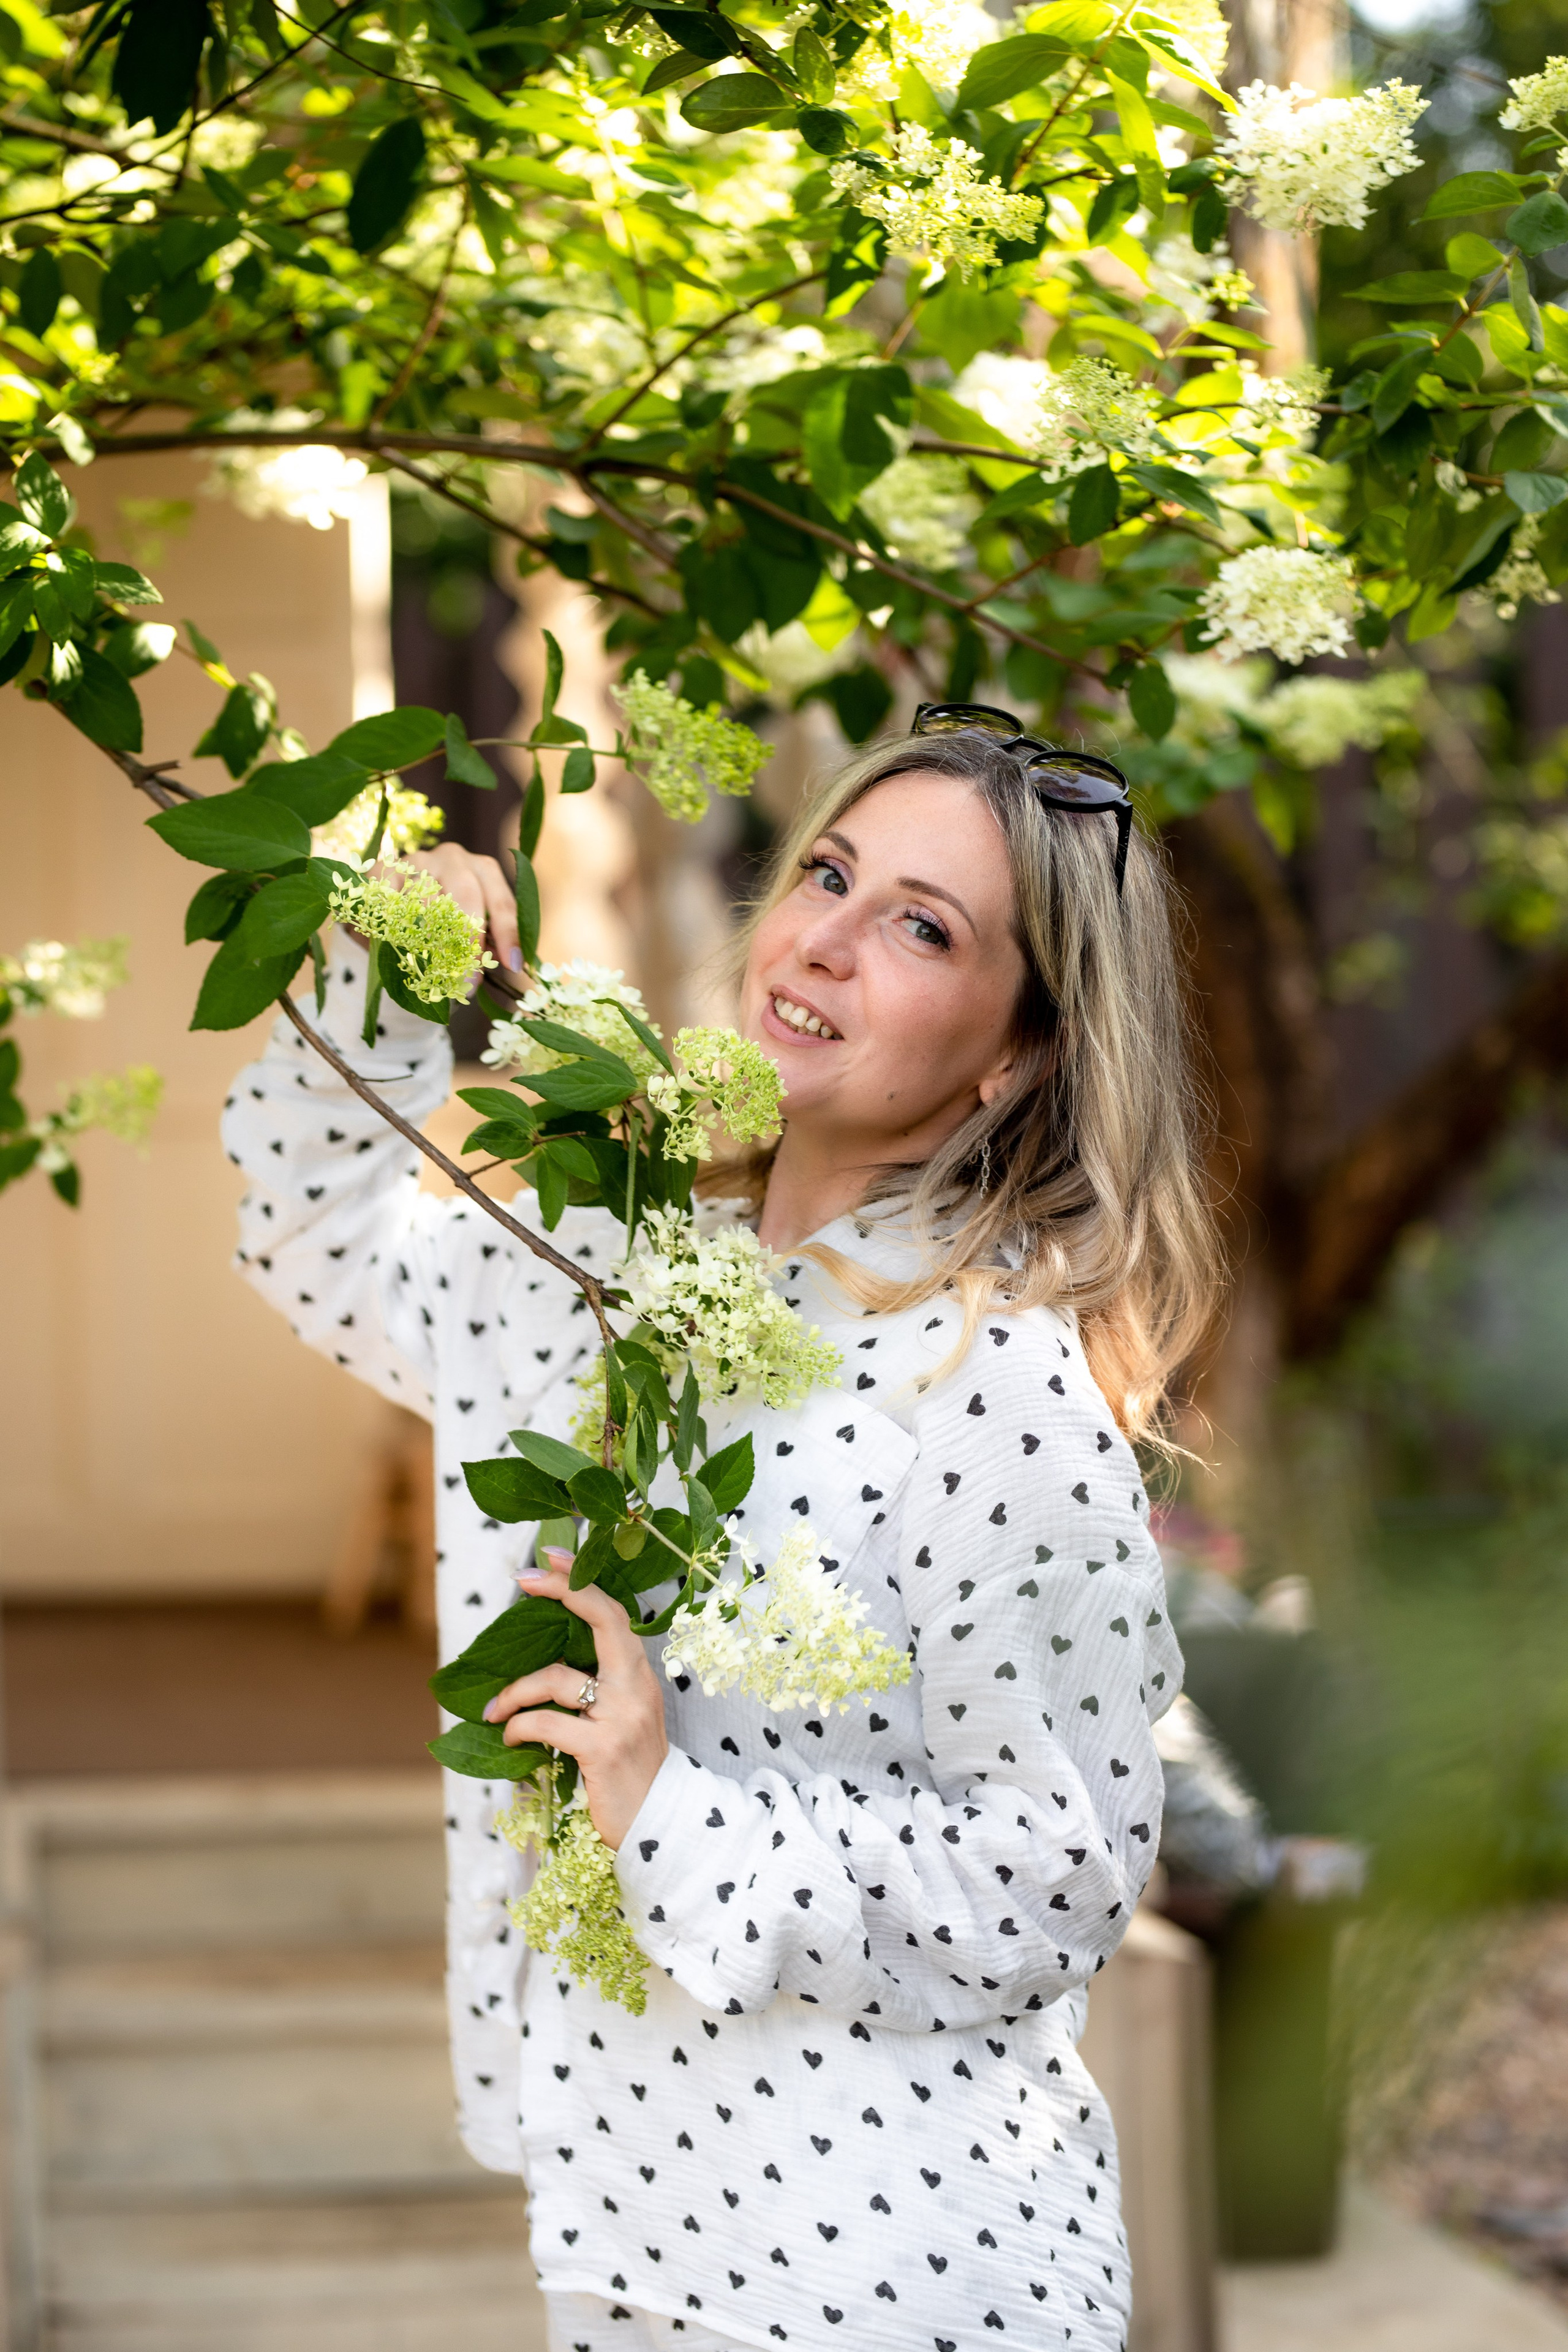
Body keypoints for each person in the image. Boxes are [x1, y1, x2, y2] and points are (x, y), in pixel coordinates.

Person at [222, 706, 1221, 2352]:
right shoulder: (606, 1259)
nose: (821, 939)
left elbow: (1057, 1876)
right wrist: (386, 969)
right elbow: (326, 1247)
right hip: (626, 2222)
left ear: (1020, 1048)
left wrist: (673, 1811)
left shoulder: (990, 1385)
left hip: (895, 2274)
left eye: (921, 926)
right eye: (827, 872)